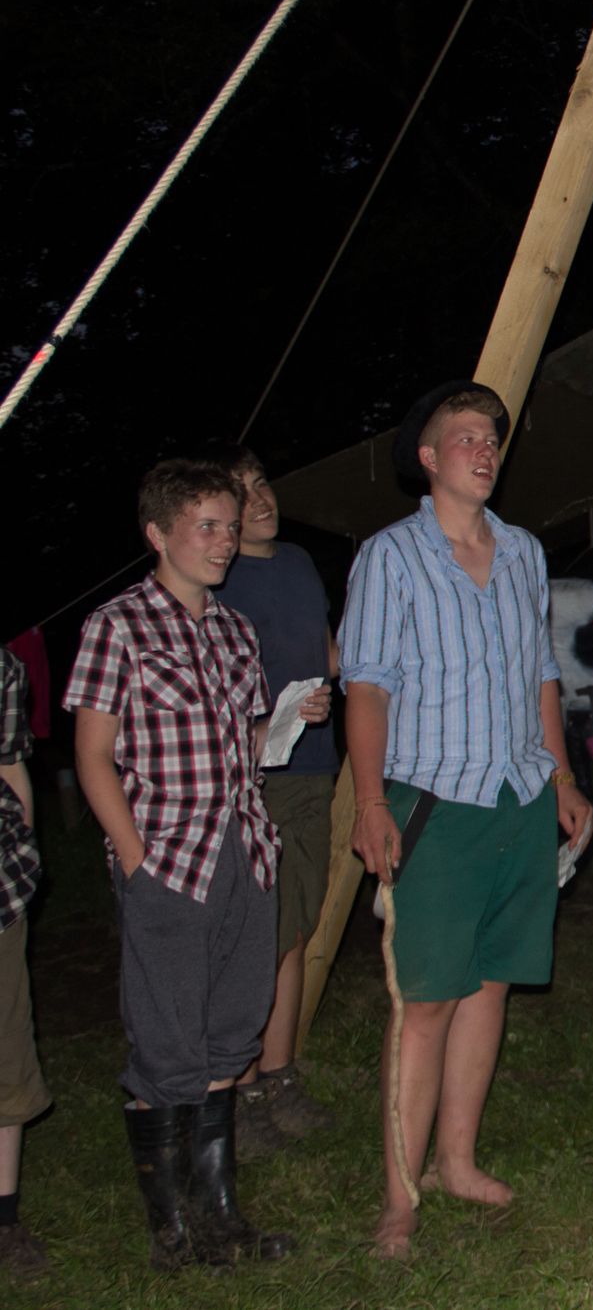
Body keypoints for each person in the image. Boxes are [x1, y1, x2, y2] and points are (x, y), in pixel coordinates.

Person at [339, 382, 593, 1259]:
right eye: (465, 438)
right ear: (427, 457)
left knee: (490, 985)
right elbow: (366, 687)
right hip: (435, 803)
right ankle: (399, 1198)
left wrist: (561, 775)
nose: (484, 451)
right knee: (426, 1002)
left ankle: (455, 1161)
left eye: (492, 438)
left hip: (518, 796)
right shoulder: (391, 556)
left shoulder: (522, 552)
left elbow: (540, 677)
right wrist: (371, 802)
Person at [65, 459, 311, 1268]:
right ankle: (171, 1232)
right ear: (157, 533)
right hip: (170, 859)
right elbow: (93, 755)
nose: (224, 541)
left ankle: (220, 1219)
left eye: (229, 527)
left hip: (244, 852)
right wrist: (137, 861)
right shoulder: (118, 626)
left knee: (230, 1035)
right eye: (206, 526)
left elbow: (245, 745)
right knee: (168, 1043)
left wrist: (285, 722)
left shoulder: (235, 630)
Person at [205, 445, 340, 1155]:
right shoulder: (218, 579)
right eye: (239, 492)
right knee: (258, 935)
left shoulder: (297, 563)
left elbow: (327, 653)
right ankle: (243, 1089)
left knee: (295, 929)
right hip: (255, 776)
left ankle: (279, 1076)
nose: (258, 500)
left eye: (261, 483)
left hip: (314, 767)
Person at [0, 646, 50, 1278]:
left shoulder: (3, 670)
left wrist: (24, 864)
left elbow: (10, 765)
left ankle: (4, 1222)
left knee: (6, 1049)